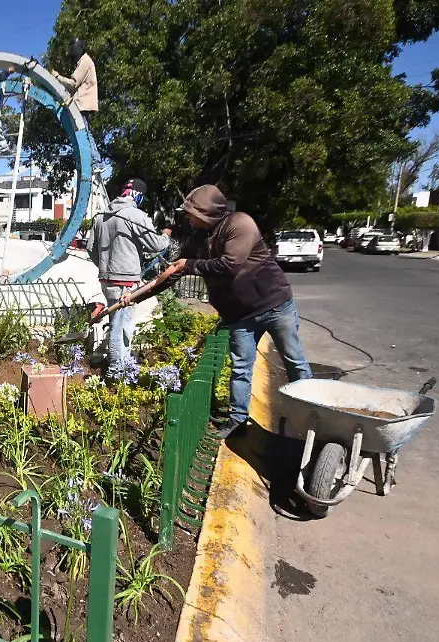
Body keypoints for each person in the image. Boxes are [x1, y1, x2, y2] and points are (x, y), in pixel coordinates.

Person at [121, 184, 312, 437]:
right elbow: (172, 274)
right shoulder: (197, 238)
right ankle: (238, 421)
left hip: (274, 305)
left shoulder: (240, 224)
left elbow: (230, 265)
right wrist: (137, 296)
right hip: (240, 316)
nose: (188, 218)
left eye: (191, 213)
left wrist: (190, 264)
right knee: (241, 368)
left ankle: (312, 418)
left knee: (294, 361)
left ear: (206, 213)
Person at [84, 178, 171, 378]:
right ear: (137, 196)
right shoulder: (135, 215)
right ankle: (116, 372)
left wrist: (105, 265)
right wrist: (166, 235)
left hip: (107, 280)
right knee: (120, 325)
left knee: (120, 322)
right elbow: (156, 245)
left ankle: (122, 364)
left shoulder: (101, 216)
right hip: (126, 282)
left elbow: (90, 248)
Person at [51, 38, 98, 129]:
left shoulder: (85, 61)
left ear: (80, 48)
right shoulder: (84, 61)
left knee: (81, 132)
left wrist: (57, 76)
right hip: (83, 104)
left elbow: (73, 84)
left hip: (82, 105)